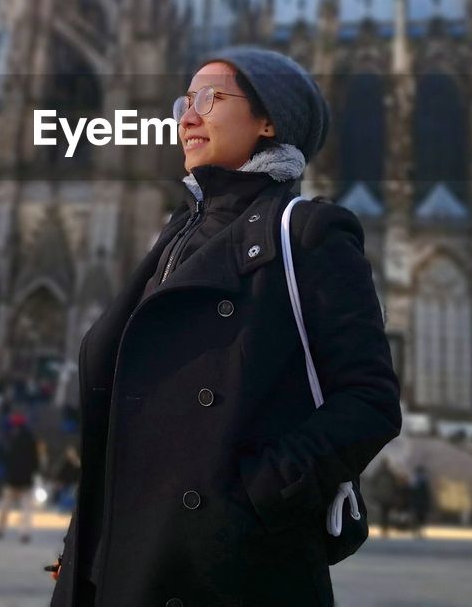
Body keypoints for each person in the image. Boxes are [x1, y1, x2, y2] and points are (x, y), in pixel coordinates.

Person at [49, 48, 402, 606]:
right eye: (183, 101)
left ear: (269, 122)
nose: (187, 116)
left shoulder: (308, 234)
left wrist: (256, 498)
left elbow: (370, 400)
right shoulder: (174, 238)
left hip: (227, 574)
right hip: (114, 571)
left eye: (210, 99)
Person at [0, 413, 40, 543]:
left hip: (12, 479)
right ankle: (25, 533)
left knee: (5, 505)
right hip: (26, 479)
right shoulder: (31, 440)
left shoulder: (11, 439)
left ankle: (0, 528)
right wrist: (33, 473)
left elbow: (7, 458)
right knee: (27, 508)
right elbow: (35, 460)